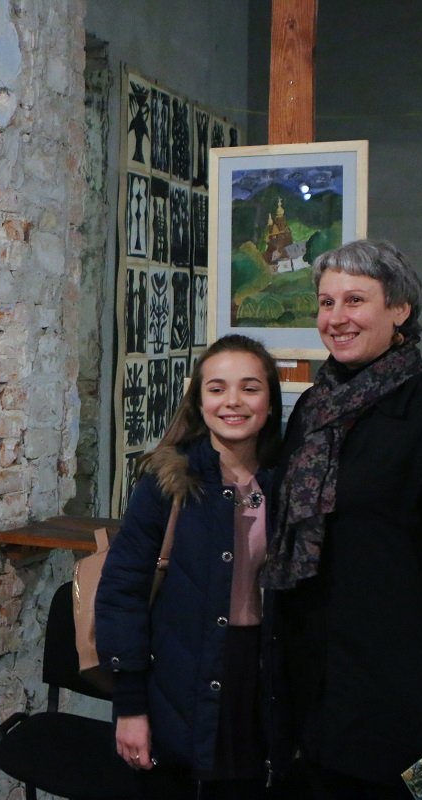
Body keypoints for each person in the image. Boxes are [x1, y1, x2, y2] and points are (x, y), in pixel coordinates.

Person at [260, 239, 422, 799]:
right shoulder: (313, 408)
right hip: (313, 683)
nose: (336, 318)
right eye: (326, 303)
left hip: (400, 686)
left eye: (355, 300)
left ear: (399, 310)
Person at [95, 334, 287, 799]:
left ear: (270, 400)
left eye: (250, 387)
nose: (233, 402)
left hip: (261, 684)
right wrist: (131, 709)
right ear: (199, 401)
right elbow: (122, 592)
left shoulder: (292, 481)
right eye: (217, 388)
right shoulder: (169, 482)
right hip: (181, 680)